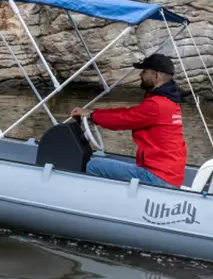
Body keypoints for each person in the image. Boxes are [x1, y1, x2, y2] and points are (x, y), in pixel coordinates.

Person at [70, 53, 187, 188]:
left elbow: (123, 119)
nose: (140, 75)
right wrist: (93, 114)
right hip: (169, 174)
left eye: (144, 71)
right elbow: (128, 113)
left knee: (94, 165)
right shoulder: (170, 102)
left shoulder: (156, 105)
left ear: (156, 76)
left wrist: (92, 116)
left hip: (157, 176)